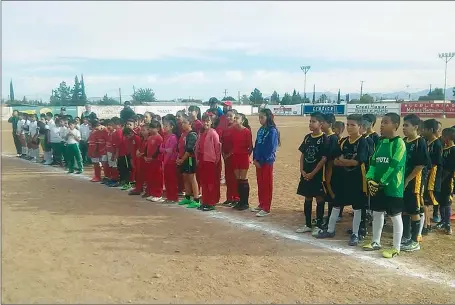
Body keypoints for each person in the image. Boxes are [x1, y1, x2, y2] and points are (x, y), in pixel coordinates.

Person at [317, 114, 369, 246]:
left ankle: (355, 234)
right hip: (343, 179)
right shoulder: (343, 141)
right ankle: (330, 230)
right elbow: (335, 159)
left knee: (357, 208)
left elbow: (357, 162)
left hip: (357, 180)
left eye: (353, 125)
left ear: (360, 127)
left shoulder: (363, 142)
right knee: (336, 204)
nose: (350, 127)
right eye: (348, 124)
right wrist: (345, 161)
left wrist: (343, 161)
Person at [363, 113, 406, 259]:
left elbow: (395, 165)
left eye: (386, 122)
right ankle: (376, 241)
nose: (382, 125)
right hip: (377, 185)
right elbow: (374, 162)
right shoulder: (381, 142)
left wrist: (381, 182)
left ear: (395, 125)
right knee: (377, 212)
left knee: (395, 216)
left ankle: (396, 247)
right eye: (381, 122)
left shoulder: (399, 143)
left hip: (393, 187)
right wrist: (369, 178)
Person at [296, 112, 328, 234]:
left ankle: (319, 225)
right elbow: (303, 154)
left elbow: (323, 159)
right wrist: (302, 170)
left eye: (313, 121)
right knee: (307, 197)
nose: (310, 123)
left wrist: (313, 173)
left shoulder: (324, 138)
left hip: (318, 174)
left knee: (319, 198)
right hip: (306, 173)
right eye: (310, 121)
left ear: (321, 124)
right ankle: (307, 224)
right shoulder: (307, 137)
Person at [400, 114, 429, 252]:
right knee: (405, 209)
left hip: (414, 182)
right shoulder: (404, 141)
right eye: (403, 125)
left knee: (414, 210)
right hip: (403, 181)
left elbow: (420, 165)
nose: (404, 128)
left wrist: (407, 179)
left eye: (407, 125)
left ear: (415, 127)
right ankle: (406, 236)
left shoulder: (420, 142)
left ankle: (415, 240)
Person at [252, 108, 279, 217]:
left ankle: (266, 207)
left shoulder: (272, 131)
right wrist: (254, 158)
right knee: (260, 183)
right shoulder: (261, 129)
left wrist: (262, 161)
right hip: (258, 161)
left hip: (266, 162)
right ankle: (261, 203)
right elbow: (257, 145)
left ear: (268, 117)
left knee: (267, 184)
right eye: (259, 117)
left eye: (262, 117)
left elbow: (271, 148)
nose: (260, 119)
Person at [421, 119, 443, 235]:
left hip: (431, 177)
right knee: (424, 201)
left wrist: (427, 172)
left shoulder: (437, 144)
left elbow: (435, 163)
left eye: (424, 129)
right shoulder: (425, 141)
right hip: (425, 174)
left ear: (430, 130)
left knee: (425, 201)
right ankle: (427, 223)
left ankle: (426, 224)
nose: (422, 131)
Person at [196, 113, 222, 211]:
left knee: (210, 182)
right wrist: (197, 158)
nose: (205, 123)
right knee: (204, 182)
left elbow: (217, 148)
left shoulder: (213, 133)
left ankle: (211, 202)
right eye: (204, 121)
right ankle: (205, 201)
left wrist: (216, 160)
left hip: (210, 160)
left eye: (208, 121)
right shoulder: (201, 133)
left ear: (212, 122)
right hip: (202, 159)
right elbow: (198, 147)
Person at [231, 112, 253, 211]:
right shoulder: (233, 131)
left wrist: (247, 156)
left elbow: (250, 146)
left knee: (243, 179)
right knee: (238, 179)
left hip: (243, 156)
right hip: (235, 156)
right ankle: (240, 201)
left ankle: (245, 202)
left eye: (237, 118)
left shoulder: (246, 131)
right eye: (234, 118)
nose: (235, 119)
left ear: (242, 120)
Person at [177, 114, 200, 208]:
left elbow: (190, 149)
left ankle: (196, 199)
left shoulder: (192, 134)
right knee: (185, 177)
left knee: (192, 178)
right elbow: (180, 147)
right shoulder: (183, 134)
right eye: (182, 123)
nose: (182, 125)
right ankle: (187, 196)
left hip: (190, 159)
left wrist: (182, 159)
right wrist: (179, 158)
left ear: (190, 124)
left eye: (185, 123)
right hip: (183, 159)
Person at [320, 113, 340, 224]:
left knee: (331, 193)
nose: (321, 124)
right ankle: (326, 216)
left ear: (330, 124)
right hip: (324, 170)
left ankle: (332, 217)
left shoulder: (333, 138)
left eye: (324, 122)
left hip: (330, 171)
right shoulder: (324, 137)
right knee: (325, 194)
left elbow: (332, 158)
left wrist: (328, 173)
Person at [221, 109, 240, 206]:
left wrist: (229, 154)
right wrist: (223, 154)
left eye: (230, 116)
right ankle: (229, 198)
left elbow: (237, 144)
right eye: (227, 116)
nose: (228, 118)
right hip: (226, 157)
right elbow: (223, 142)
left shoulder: (237, 129)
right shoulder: (226, 129)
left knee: (234, 178)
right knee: (228, 178)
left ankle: (236, 198)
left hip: (234, 157)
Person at [158, 116, 179, 203]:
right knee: (167, 180)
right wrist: (165, 150)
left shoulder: (173, 137)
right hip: (166, 160)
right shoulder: (166, 136)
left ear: (171, 127)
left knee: (171, 180)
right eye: (164, 125)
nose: (165, 127)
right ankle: (169, 196)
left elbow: (169, 152)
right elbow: (161, 149)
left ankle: (173, 197)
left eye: (166, 126)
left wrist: (164, 163)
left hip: (170, 161)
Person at [438, 128, 455, 234]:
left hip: (448, 180)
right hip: (441, 179)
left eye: (443, 136)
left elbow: (450, 168)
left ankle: (448, 224)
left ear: (447, 137)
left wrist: (442, 179)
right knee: (441, 201)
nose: (441, 138)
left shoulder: (453, 150)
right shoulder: (444, 149)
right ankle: (443, 220)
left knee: (447, 201)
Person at [144, 120, 164, 201]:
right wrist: (145, 156)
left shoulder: (159, 138)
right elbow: (146, 148)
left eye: (153, 128)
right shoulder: (149, 138)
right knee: (151, 177)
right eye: (150, 128)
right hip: (149, 161)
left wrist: (152, 157)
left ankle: (158, 194)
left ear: (158, 128)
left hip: (157, 161)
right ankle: (152, 193)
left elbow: (158, 150)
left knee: (157, 178)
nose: (151, 130)